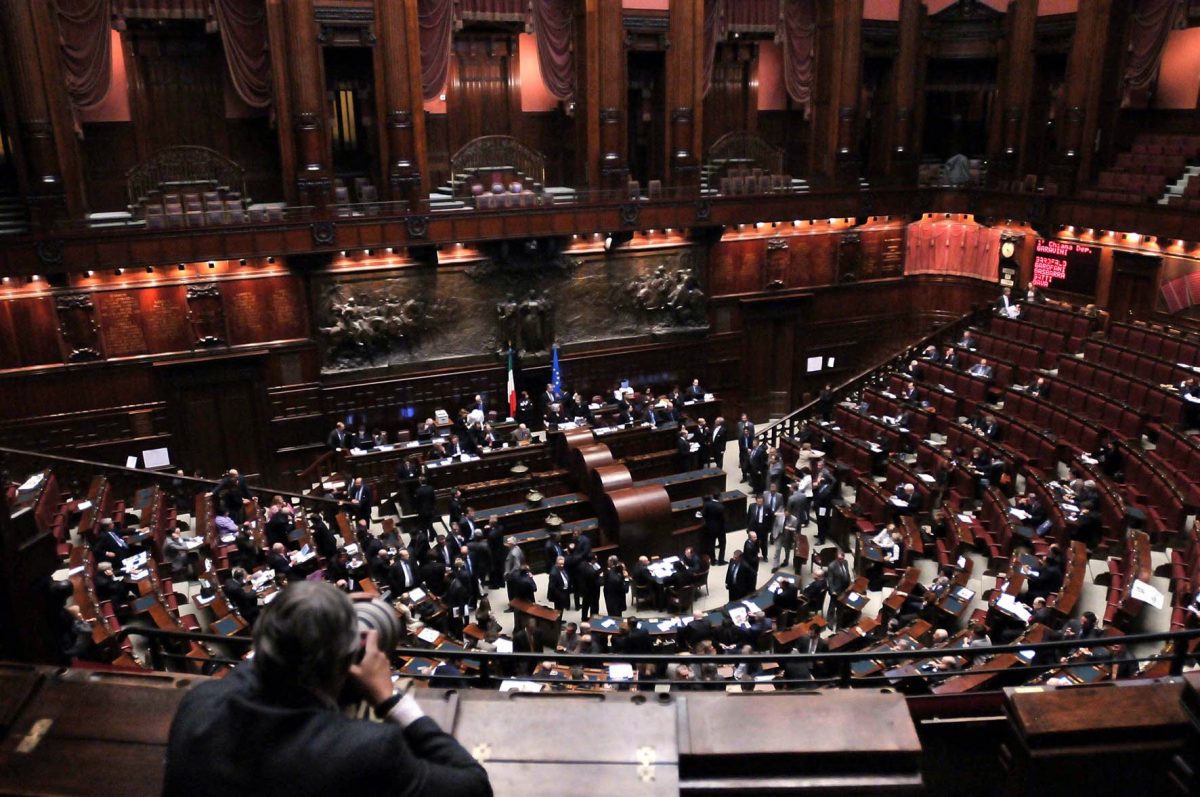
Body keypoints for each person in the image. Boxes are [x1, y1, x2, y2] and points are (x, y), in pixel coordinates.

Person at [163, 581, 491, 796]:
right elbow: (474, 786)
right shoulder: (367, 750)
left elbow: (272, 660)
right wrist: (389, 699)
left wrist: (322, 611)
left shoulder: (200, 703)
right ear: (345, 663)